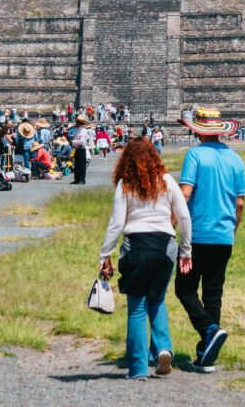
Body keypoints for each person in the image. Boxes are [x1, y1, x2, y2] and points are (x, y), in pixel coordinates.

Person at [99, 137, 192, 380]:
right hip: (165, 247)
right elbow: (184, 217)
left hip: (136, 247)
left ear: (126, 159)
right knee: (157, 299)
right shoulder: (168, 181)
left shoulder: (125, 184)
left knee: (137, 309)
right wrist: (185, 250)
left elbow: (117, 223)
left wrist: (104, 254)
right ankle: (163, 347)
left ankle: (139, 368)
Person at [176, 106, 245, 373]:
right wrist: (233, 230)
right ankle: (207, 353)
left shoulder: (194, 155)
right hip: (223, 235)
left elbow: (184, 194)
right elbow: (239, 203)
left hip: (197, 235)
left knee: (184, 289)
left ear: (197, 131)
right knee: (213, 293)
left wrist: (170, 223)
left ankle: (209, 329)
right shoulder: (236, 160)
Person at [71, 115, 90, 185]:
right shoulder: (78, 129)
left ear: (79, 122)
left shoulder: (83, 130)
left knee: (82, 165)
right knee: (77, 165)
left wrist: (73, 142)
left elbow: (82, 142)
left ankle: (82, 179)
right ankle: (77, 179)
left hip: (81, 149)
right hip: (77, 149)